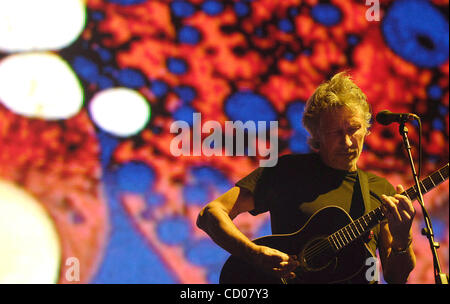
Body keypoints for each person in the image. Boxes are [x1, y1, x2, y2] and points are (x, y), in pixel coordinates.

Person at [196, 72, 416, 284]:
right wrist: (253, 254)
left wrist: (402, 238)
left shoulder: (381, 190)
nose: (348, 142)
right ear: (317, 134)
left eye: (354, 129)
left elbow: (396, 277)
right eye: (335, 133)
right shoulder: (287, 171)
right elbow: (211, 213)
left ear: (366, 128)